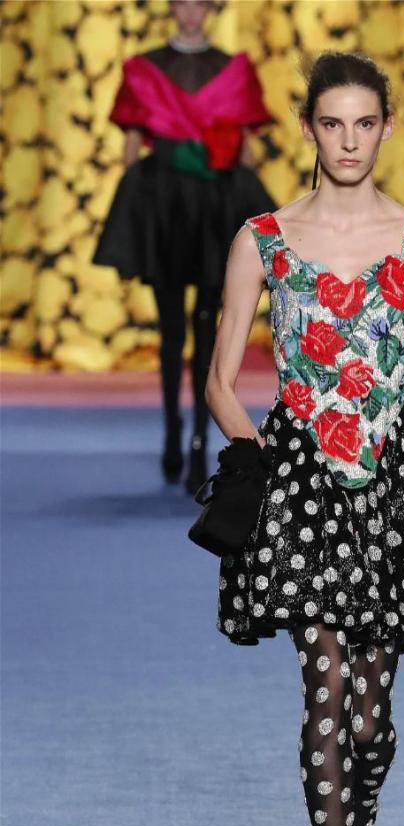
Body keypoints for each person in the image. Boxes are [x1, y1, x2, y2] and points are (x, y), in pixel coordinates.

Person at [205, 50, 404, 826]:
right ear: (309, 129)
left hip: (394, 487)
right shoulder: (264, 239)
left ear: (387, 127)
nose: (350, 140)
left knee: (368, 722)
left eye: (365, 123)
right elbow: (220, 380)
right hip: (302, 489)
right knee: (323, 690)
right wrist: (259, 462)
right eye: (333, 123)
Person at [93, 0, 276, 493]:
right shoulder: (145, 68)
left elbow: (245, 148)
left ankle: (198, 438)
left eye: (200, 2)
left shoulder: (232, 69)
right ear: (172, 7)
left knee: (206, 327)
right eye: (182, 1)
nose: (191, 10)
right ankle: (174, 430)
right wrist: (134, 206)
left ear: (211, 8)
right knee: (173, 328)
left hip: (216, 205)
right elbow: (133, 143)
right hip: (165, 206)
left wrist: (257, 213)